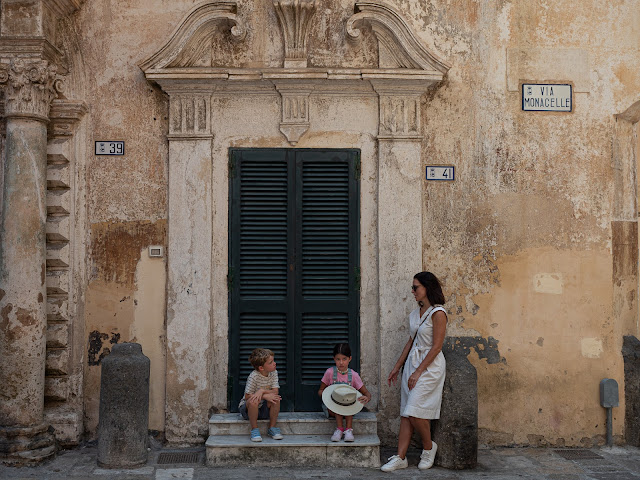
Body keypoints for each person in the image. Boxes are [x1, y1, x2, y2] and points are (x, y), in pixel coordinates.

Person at [381, 272, 448, 472]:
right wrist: (396, 367)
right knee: (406, 413)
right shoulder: (414, 314)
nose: (413, 291)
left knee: (415, 411)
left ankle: (428, 448)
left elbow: (436, 347)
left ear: (427, 287)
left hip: (429, 367)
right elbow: (410, 343)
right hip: (412, 364)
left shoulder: (438, 313)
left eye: (415, 287)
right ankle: (401, 457)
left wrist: (418, 372)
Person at [318, 343, 371, 442]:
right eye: (338, 359)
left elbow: (366, 393)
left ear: (350, 359)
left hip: (349, 409)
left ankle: (348, 430)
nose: (341, 362)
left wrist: (366, 398)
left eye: (344, 359)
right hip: (332, 409)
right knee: (339, 400)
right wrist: (326, 395)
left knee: (345, 401)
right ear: (334, 359)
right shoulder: (329, 373)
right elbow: (320, 390)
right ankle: (339, 429)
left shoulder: (354, 375)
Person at [238, 348, 284, 442]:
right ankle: (254, 430)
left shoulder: (274, 373)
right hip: (247, 409)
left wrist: (262, 391)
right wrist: (264, 396)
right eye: (271, 362)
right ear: (261, 368)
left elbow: (275, 391)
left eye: (273, 361)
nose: (274, 363)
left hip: (263, 409)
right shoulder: (253, 376)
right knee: (254, 400)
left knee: (276, 399)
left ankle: (272, 428)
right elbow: (247, 396)